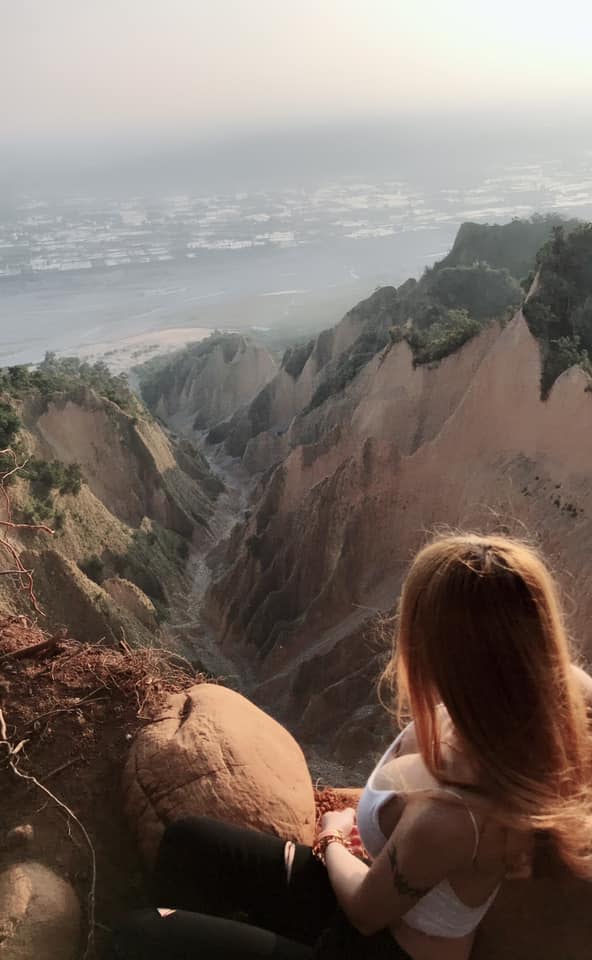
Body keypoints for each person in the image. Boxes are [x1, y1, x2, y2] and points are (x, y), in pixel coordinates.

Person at [107, 534, 592, 959]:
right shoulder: (538, 699)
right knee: (188, 841)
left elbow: (363, 912)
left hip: (370, 946)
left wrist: (334, 833)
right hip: (370, 909)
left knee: (135, 935)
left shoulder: (452, 819)